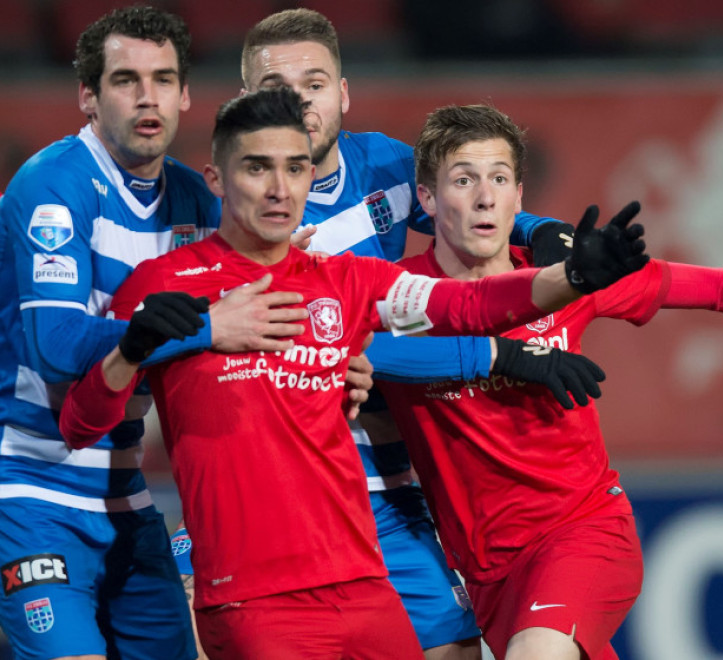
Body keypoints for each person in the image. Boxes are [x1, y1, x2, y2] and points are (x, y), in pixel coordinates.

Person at [57, 87, 651, 660]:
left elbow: (468, 307)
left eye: (294, 169)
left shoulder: (347, 283)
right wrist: (129, 350)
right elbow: (81, 426)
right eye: (256, 168)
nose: (278, 188)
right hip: (256, 603)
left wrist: (570, 278)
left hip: (365, 593)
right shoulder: (164, 287)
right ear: (215, 180)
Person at [373, 104, 723, 660]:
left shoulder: (567, 279)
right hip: (486, 568)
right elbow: (348, 352)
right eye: (463, 180)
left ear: (520, 195)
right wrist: (491, 355)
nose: (484, 197)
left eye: (498, 179)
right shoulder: (393, 297)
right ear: (426, 199)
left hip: (580, 532)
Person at [0, 8, 304, 658]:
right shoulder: (53, 188)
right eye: (125, 79)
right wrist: (202, 326)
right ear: (87, 95)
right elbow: (56, 347)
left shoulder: (198, 201)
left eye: (164, 79)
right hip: (22, 480)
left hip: (121, 485)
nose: (148, 97)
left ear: (186, 94)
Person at [235, 11, 589, 658]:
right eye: (275, 88)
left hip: (387, 472)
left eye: (313, 84)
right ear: (244, 105)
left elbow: (459, 195)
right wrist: (493, 355)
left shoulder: (388, 167)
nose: (298, 104)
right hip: (278, 475)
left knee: (454, 649)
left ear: (342, 93)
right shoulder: (240, 210)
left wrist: (539, 231)